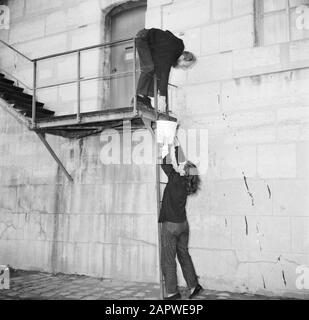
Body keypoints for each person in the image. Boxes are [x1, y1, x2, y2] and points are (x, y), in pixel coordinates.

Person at [159, 143, 203, 300]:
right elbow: (183, 163)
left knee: (168, 259)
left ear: (184, 171)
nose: (181, 166)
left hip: (171, 226)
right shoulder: (187, 183)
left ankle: (172, 293)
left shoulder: (175, 179)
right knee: (183, 254)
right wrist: (176, 144)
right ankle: (193, 285)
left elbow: (165, 163)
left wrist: (164, 146)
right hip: (183, 226)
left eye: (183, 167)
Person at [134, 28, 196, 111]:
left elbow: (163, 73)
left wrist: (163, 96)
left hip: (151, 43)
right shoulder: (172, 52)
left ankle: (145, 99)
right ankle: (138, 98)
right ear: (182, 57)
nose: (184, 68)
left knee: (156, 74)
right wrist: (163, 97)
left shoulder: (174, 50)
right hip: (143, 37)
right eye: (185, 66)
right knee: (148, 68)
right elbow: (165, 74)